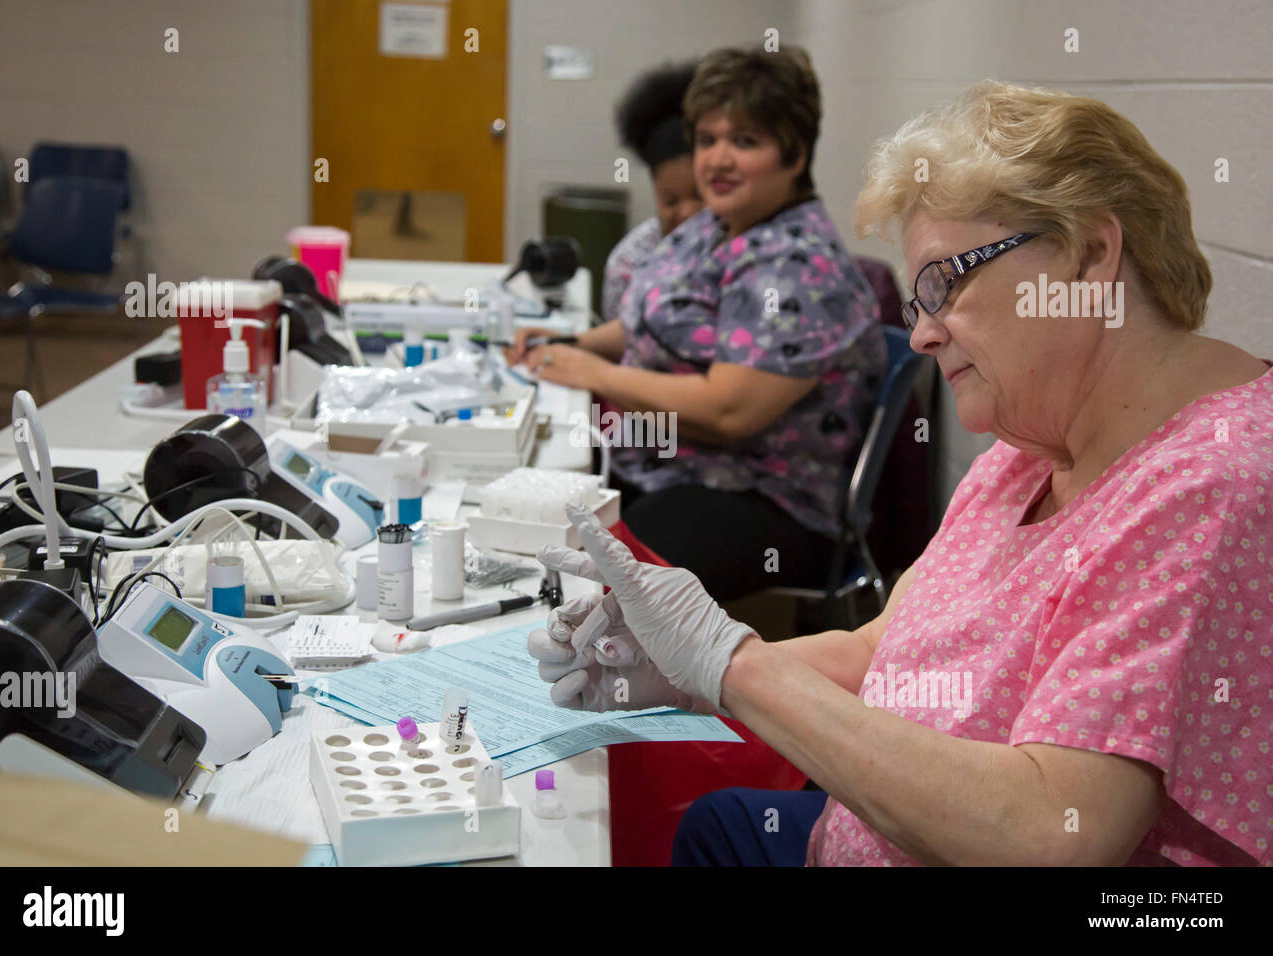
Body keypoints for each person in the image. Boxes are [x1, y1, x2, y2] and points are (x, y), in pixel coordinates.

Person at [528, 80, 1273, 866]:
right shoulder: (1034, 444)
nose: (919, 335)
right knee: (712, 825)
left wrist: (734, 666)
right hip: (858, 833)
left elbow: (1054, 832)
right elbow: (891, 646)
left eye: (943, 285)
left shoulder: (1215, 488)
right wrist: (683, 674)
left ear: (1090, 256)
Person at [508, 47, 886, 602]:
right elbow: (654, 318)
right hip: (676, 464)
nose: (718, 159)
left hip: (767, 499)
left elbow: (729, 410)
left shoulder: (797, 265)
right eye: (707, 140)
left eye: (745, 141)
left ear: (795, 152)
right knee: (536, 529)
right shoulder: (718, 223)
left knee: (584, 587)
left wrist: (593, 372)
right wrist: (570, 343)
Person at [600, 60, 704, 323]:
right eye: (670, 200)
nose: (688, 212)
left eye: (701, 196)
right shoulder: (630, 263)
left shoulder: (745, 248)